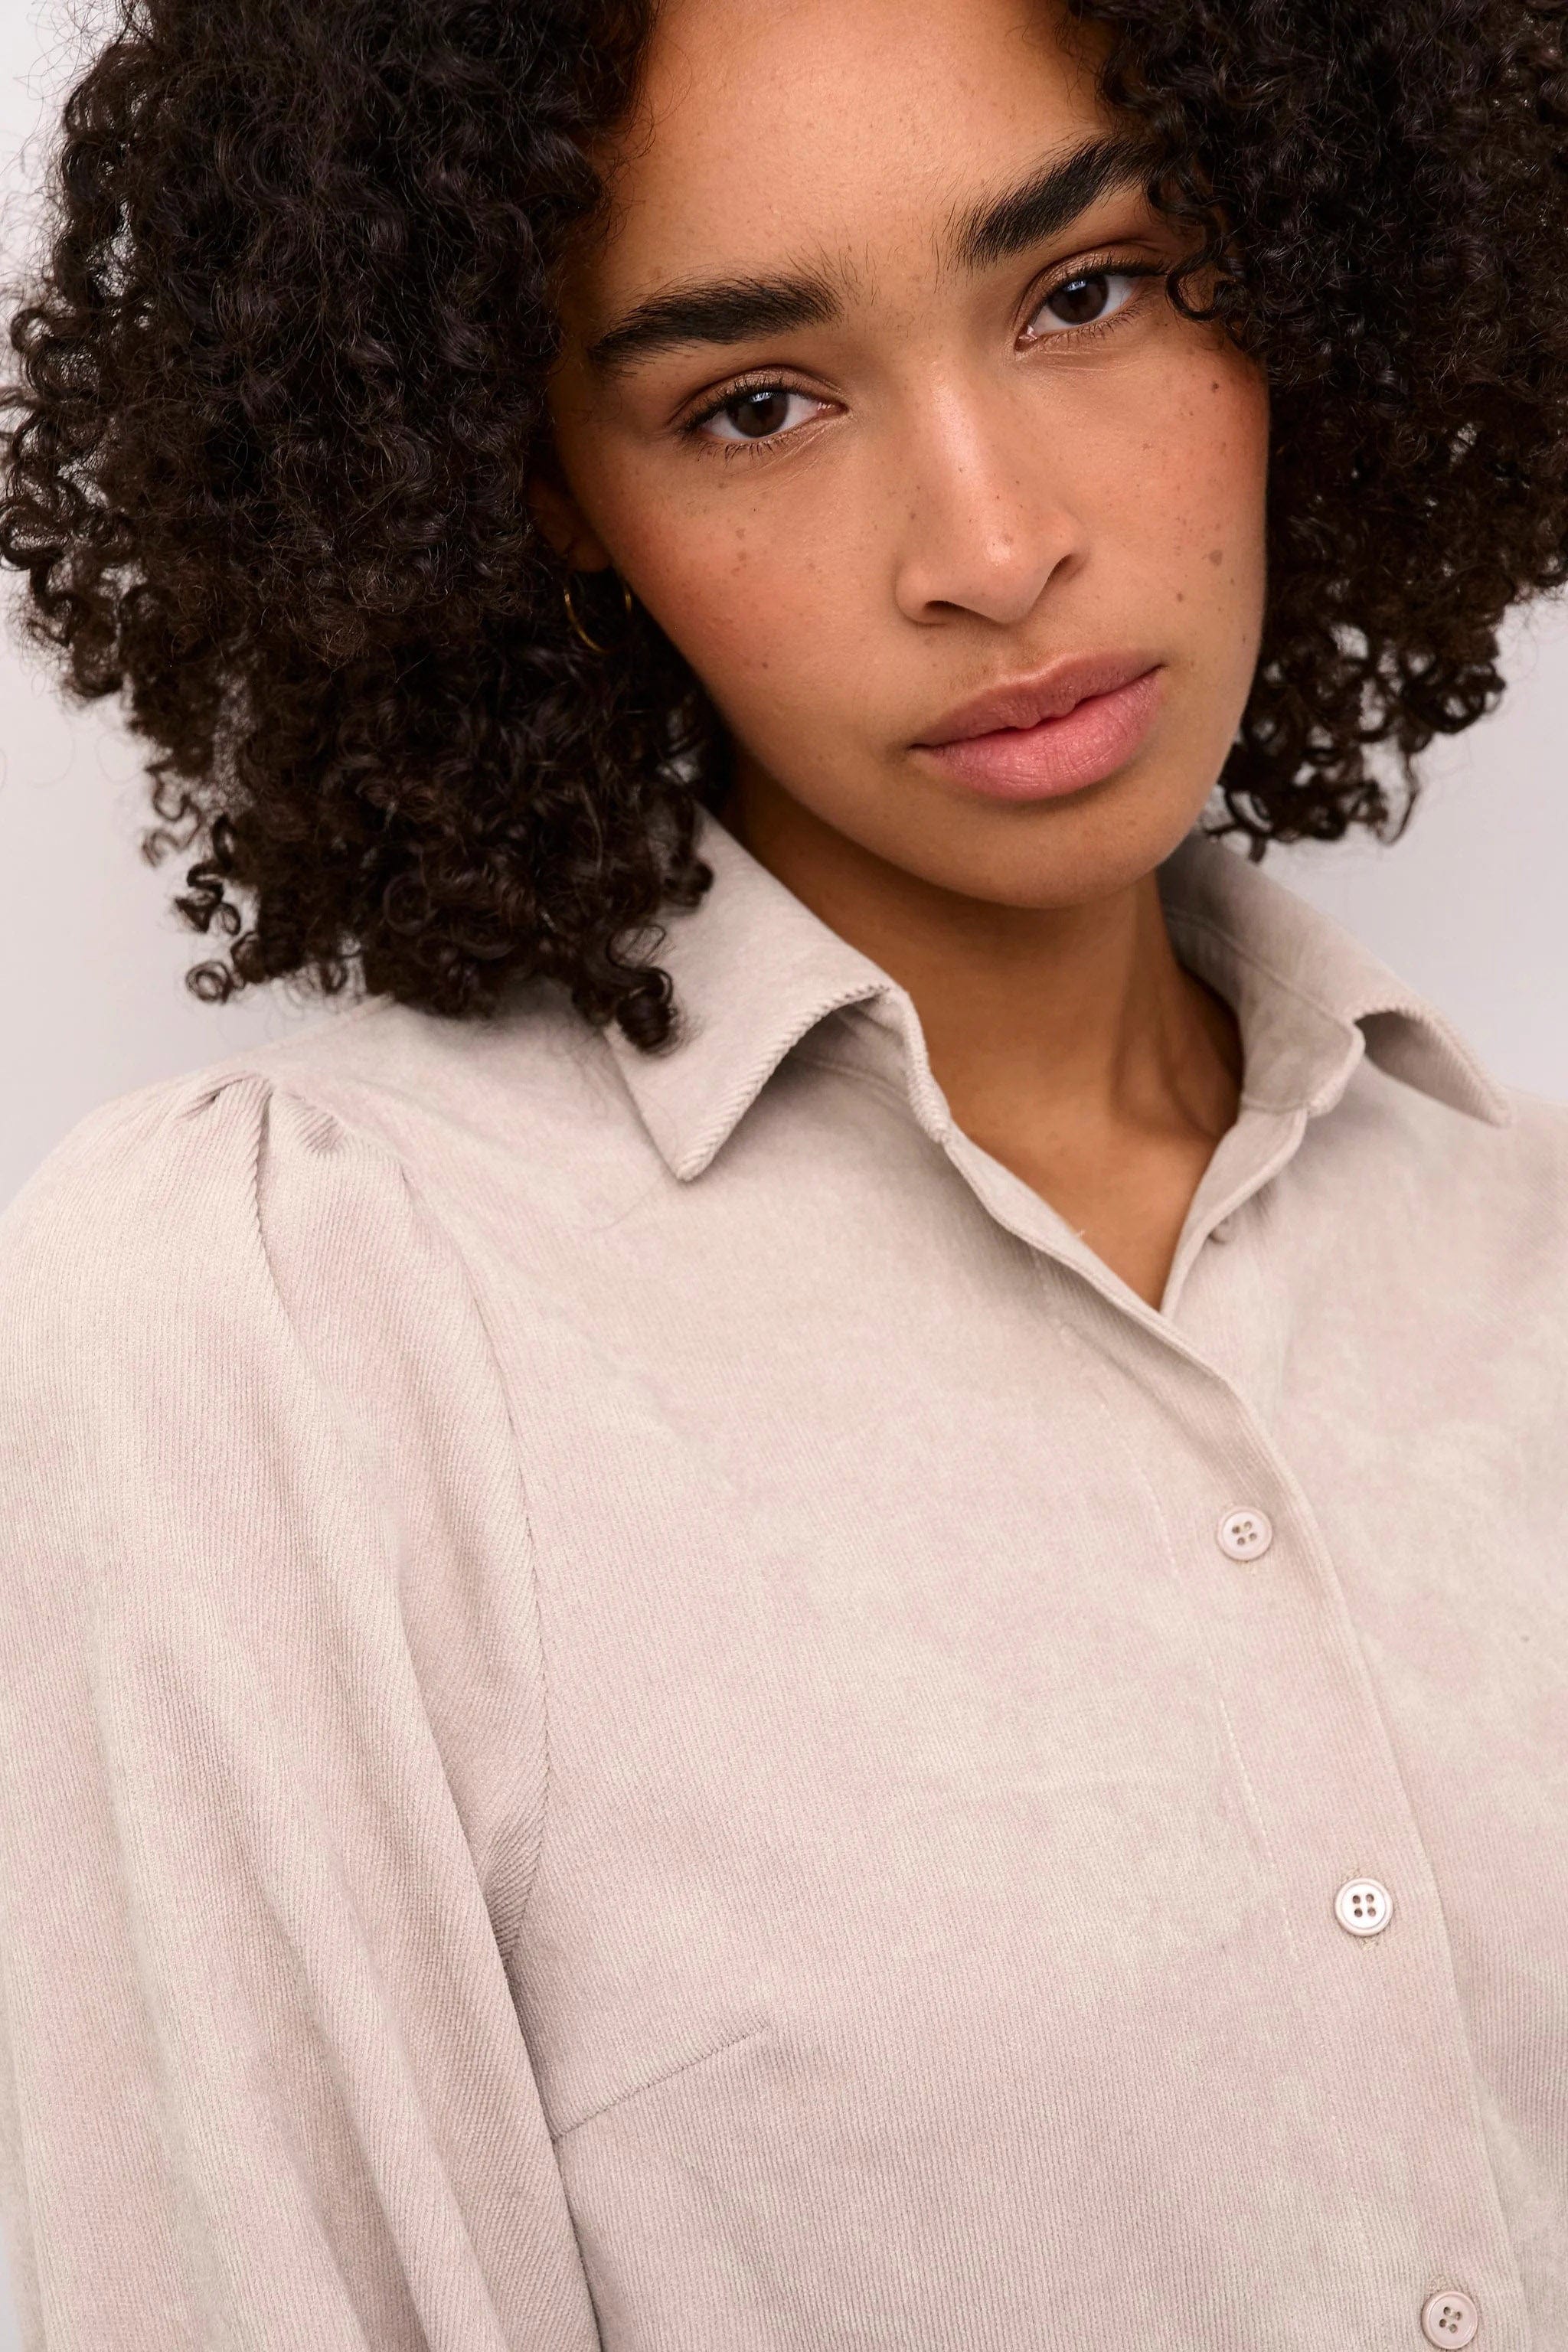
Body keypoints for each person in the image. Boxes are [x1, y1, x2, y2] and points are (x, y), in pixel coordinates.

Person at [0, 0, 1565, 2342]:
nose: (992, 547)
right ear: (542, 482)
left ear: (1314, 260)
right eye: (754, 404)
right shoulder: (290, 1327)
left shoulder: (1525, 1255)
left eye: (1090, 291)